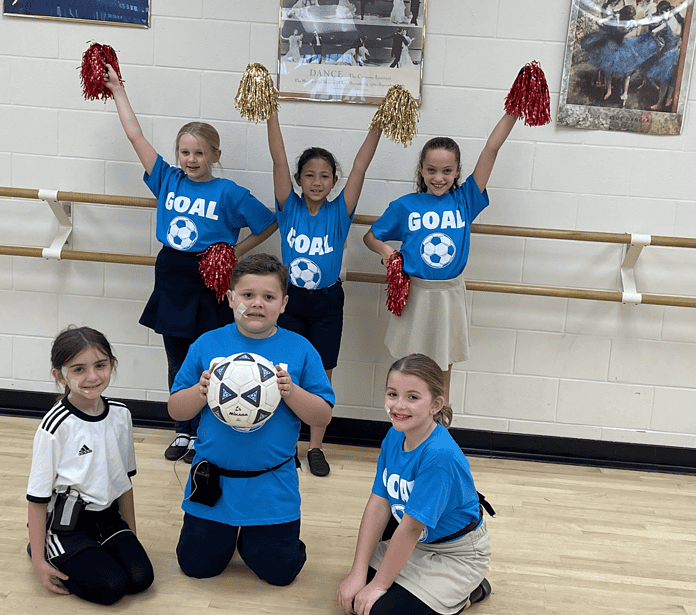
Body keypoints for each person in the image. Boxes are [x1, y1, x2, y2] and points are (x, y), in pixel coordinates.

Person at [104, 65, 277, 464]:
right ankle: (182, 431)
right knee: (177, 358)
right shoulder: (167, 178)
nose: (191, 158)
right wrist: (118, 91)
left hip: (211, 279)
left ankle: (206, 432)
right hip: (172, 274)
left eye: (200, 152)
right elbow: (135, 136)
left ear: (215, 155)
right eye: (185, 151)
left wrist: (233, 252)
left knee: (211, 356)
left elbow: (268, 222)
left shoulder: (229, 191)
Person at [168, 253, 334, 584]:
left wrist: (291, 392)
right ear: (230, 299)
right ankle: (224, 534)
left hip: (272, 484)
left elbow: (323, 414)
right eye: (247, 295)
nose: (257, 304)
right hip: (212, 480)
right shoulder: (207, 344)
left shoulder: (300, 349)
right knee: (196, 567)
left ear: (284, 303)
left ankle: (253, 538)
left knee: (280, 573)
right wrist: (201, 390)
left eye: (268, 297)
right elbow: (176, 410)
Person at [363, 114, 518, 402]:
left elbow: (491, 149)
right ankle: (404, 416)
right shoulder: (404, 206)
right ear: (421, 169)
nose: (438, 178)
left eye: (447, 171)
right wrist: (386, 251)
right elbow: (371, 237)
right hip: (415, 295)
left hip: (449, 295)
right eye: (431, 170)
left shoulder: (465, 199)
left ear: (458, 171)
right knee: (408, 363)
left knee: (442, 364)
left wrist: (513, 111)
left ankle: (440, 418)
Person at [266, 106, 382, 476]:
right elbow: (278, 160)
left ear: (334, 181)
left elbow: (361, 167)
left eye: (325, 176)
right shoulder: (289, 208)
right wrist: (271, 114)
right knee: (286, 372)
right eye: (309, 175)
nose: (317, 182)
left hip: (329, 302)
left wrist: (377, 126)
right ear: (299, 180)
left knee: (321, 374)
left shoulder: (340, 210)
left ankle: (316, 446)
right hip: (291, 300)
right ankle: (285, 445)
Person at [336, 354, 492, 615]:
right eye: (392, 394)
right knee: (354, 600)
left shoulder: (440, 455)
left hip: (454, 553)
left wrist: (378, 585)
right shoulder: (394, 434)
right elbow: (378, 503)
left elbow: (410, 528)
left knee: (378, 610)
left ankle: (469, 590)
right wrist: (357, 573)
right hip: (419, 540)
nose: (398, 406)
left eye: (412, 397)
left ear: (436, 404)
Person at [26, 326, 154, 605]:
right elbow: (37, 498)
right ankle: (43, 546)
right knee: (111, 588)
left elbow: (125, 483)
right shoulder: (54, 427)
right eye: (79, 369)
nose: (93, 377)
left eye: (100, 365)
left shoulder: (121, 415)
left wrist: (131, 535)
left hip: (107, 518)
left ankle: (92, 553)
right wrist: (38, 562)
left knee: (141, 578)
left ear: (112, 365)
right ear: (60, 376)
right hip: (66, 525)